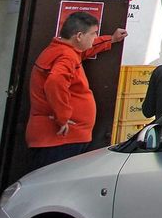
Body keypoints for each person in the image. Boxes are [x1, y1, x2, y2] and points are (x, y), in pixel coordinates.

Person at [27, 10, 126, 171]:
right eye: (93, 34)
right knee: (55, 185)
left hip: (57, 139)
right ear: (79, 36)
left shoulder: (63, 51)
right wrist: (63, 117)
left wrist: (111, 39)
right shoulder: (66, 56)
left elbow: (86, 50)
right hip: (59, 139)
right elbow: (55, 82)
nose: (94, 37)